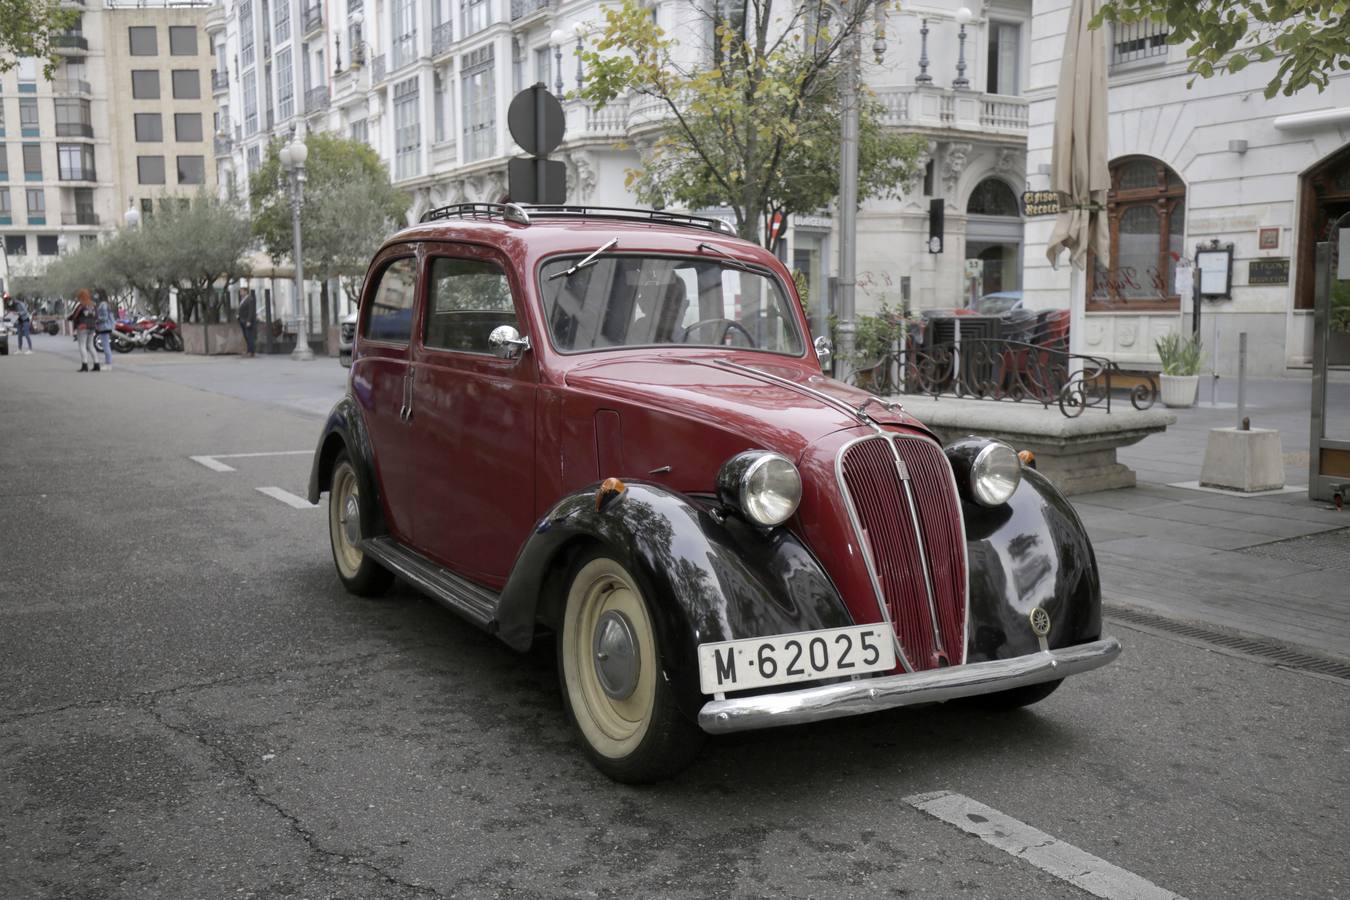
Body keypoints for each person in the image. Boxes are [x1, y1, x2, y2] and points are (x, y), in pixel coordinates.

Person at [68, 289, 98, 372]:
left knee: (82, 345)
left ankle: (85, 365)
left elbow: (74, 315)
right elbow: (96, 316)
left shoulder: (81, 305)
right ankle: (97, 364)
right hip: (92, 327)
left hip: (82, 327)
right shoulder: (93, 305)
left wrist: (69, 318)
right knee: (91, 345)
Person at [94, 291, 115, 370]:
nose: (95, 295)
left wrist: (96, 320)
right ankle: (108, 364)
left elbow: (104, 317)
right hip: (106, 327)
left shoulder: (103, 305)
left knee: (106, 346)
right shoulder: (106, 303)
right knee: (106, 346)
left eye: (96, 294)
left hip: (104, 327)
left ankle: (108, 364)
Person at [238, 287, 258, 358]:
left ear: (246, 292)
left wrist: (249, 321)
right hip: (242, 320)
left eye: (242, 291)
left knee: (249, 336)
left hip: (247, 321)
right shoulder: (242, 300)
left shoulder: (250, 299)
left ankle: (251, 351)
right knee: (246, 336)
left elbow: (251, 311)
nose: (240, 293)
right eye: (240, 291)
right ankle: (249, 350)